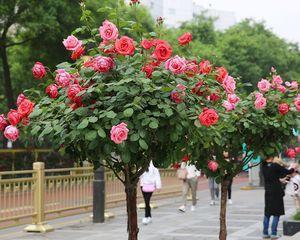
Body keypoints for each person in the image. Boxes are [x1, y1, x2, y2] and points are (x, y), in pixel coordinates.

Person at [262, 156, 295, 239]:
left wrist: (279, 179)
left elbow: (273, 177)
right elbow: (288, 171)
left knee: (267, 213)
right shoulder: (275, 166)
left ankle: (265, 233)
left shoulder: (263, 166)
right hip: (276, 192)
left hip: (268, 192)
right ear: (271, 157)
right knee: (276, 213)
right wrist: (293, 168)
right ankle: (273, 233)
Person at [140, 161, 162, 225]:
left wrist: (158, 186)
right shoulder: (142, 167)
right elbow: (140, 176)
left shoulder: (154, 168)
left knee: (147, 201)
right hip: (143, 186)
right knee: (146, 201)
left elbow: (157, 177)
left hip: (150, 185)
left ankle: (146, 216)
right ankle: (149, 216)